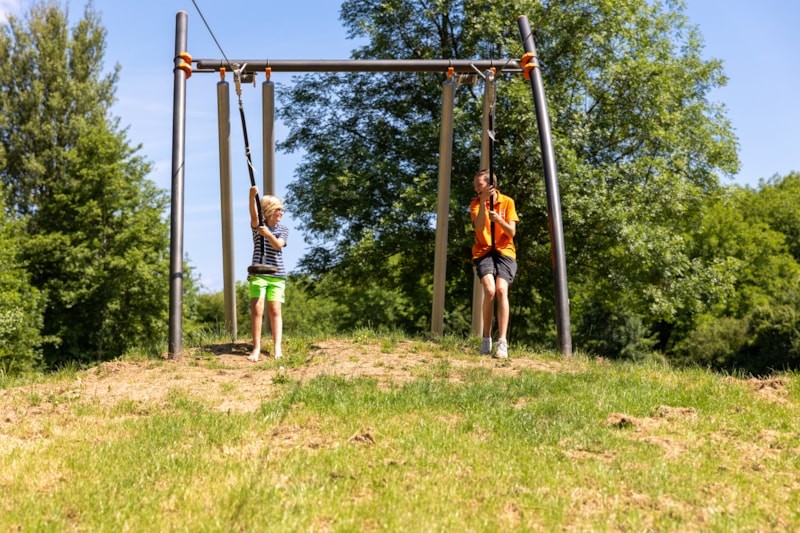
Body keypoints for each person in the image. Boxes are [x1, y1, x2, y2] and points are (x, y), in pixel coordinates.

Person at [470, 169, 519, 358]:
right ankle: (486, 339)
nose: (476, 188)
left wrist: (499, 220)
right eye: (475, 185)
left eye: (479, 185)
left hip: (505, 251)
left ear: (490, 186)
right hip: (483, 251)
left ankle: (502, 341)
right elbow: (479, 227)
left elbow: (511, 232)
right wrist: (483, 203)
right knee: (489, 290)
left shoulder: (507, 202)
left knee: (500, 290)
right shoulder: (475, 204)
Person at [247, 185, 288, 362]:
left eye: (282, 210)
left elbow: (278, 245)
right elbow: (254, 215)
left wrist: (268, 235)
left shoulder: (282, 229)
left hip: (276, 274)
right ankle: (256, 347)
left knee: (275, 309)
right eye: (278, 209)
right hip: (259, 272)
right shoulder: (258, 226)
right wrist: (252, 197)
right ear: (269, 210)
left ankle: (277, 346)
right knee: (257, 308)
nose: (281, 213)